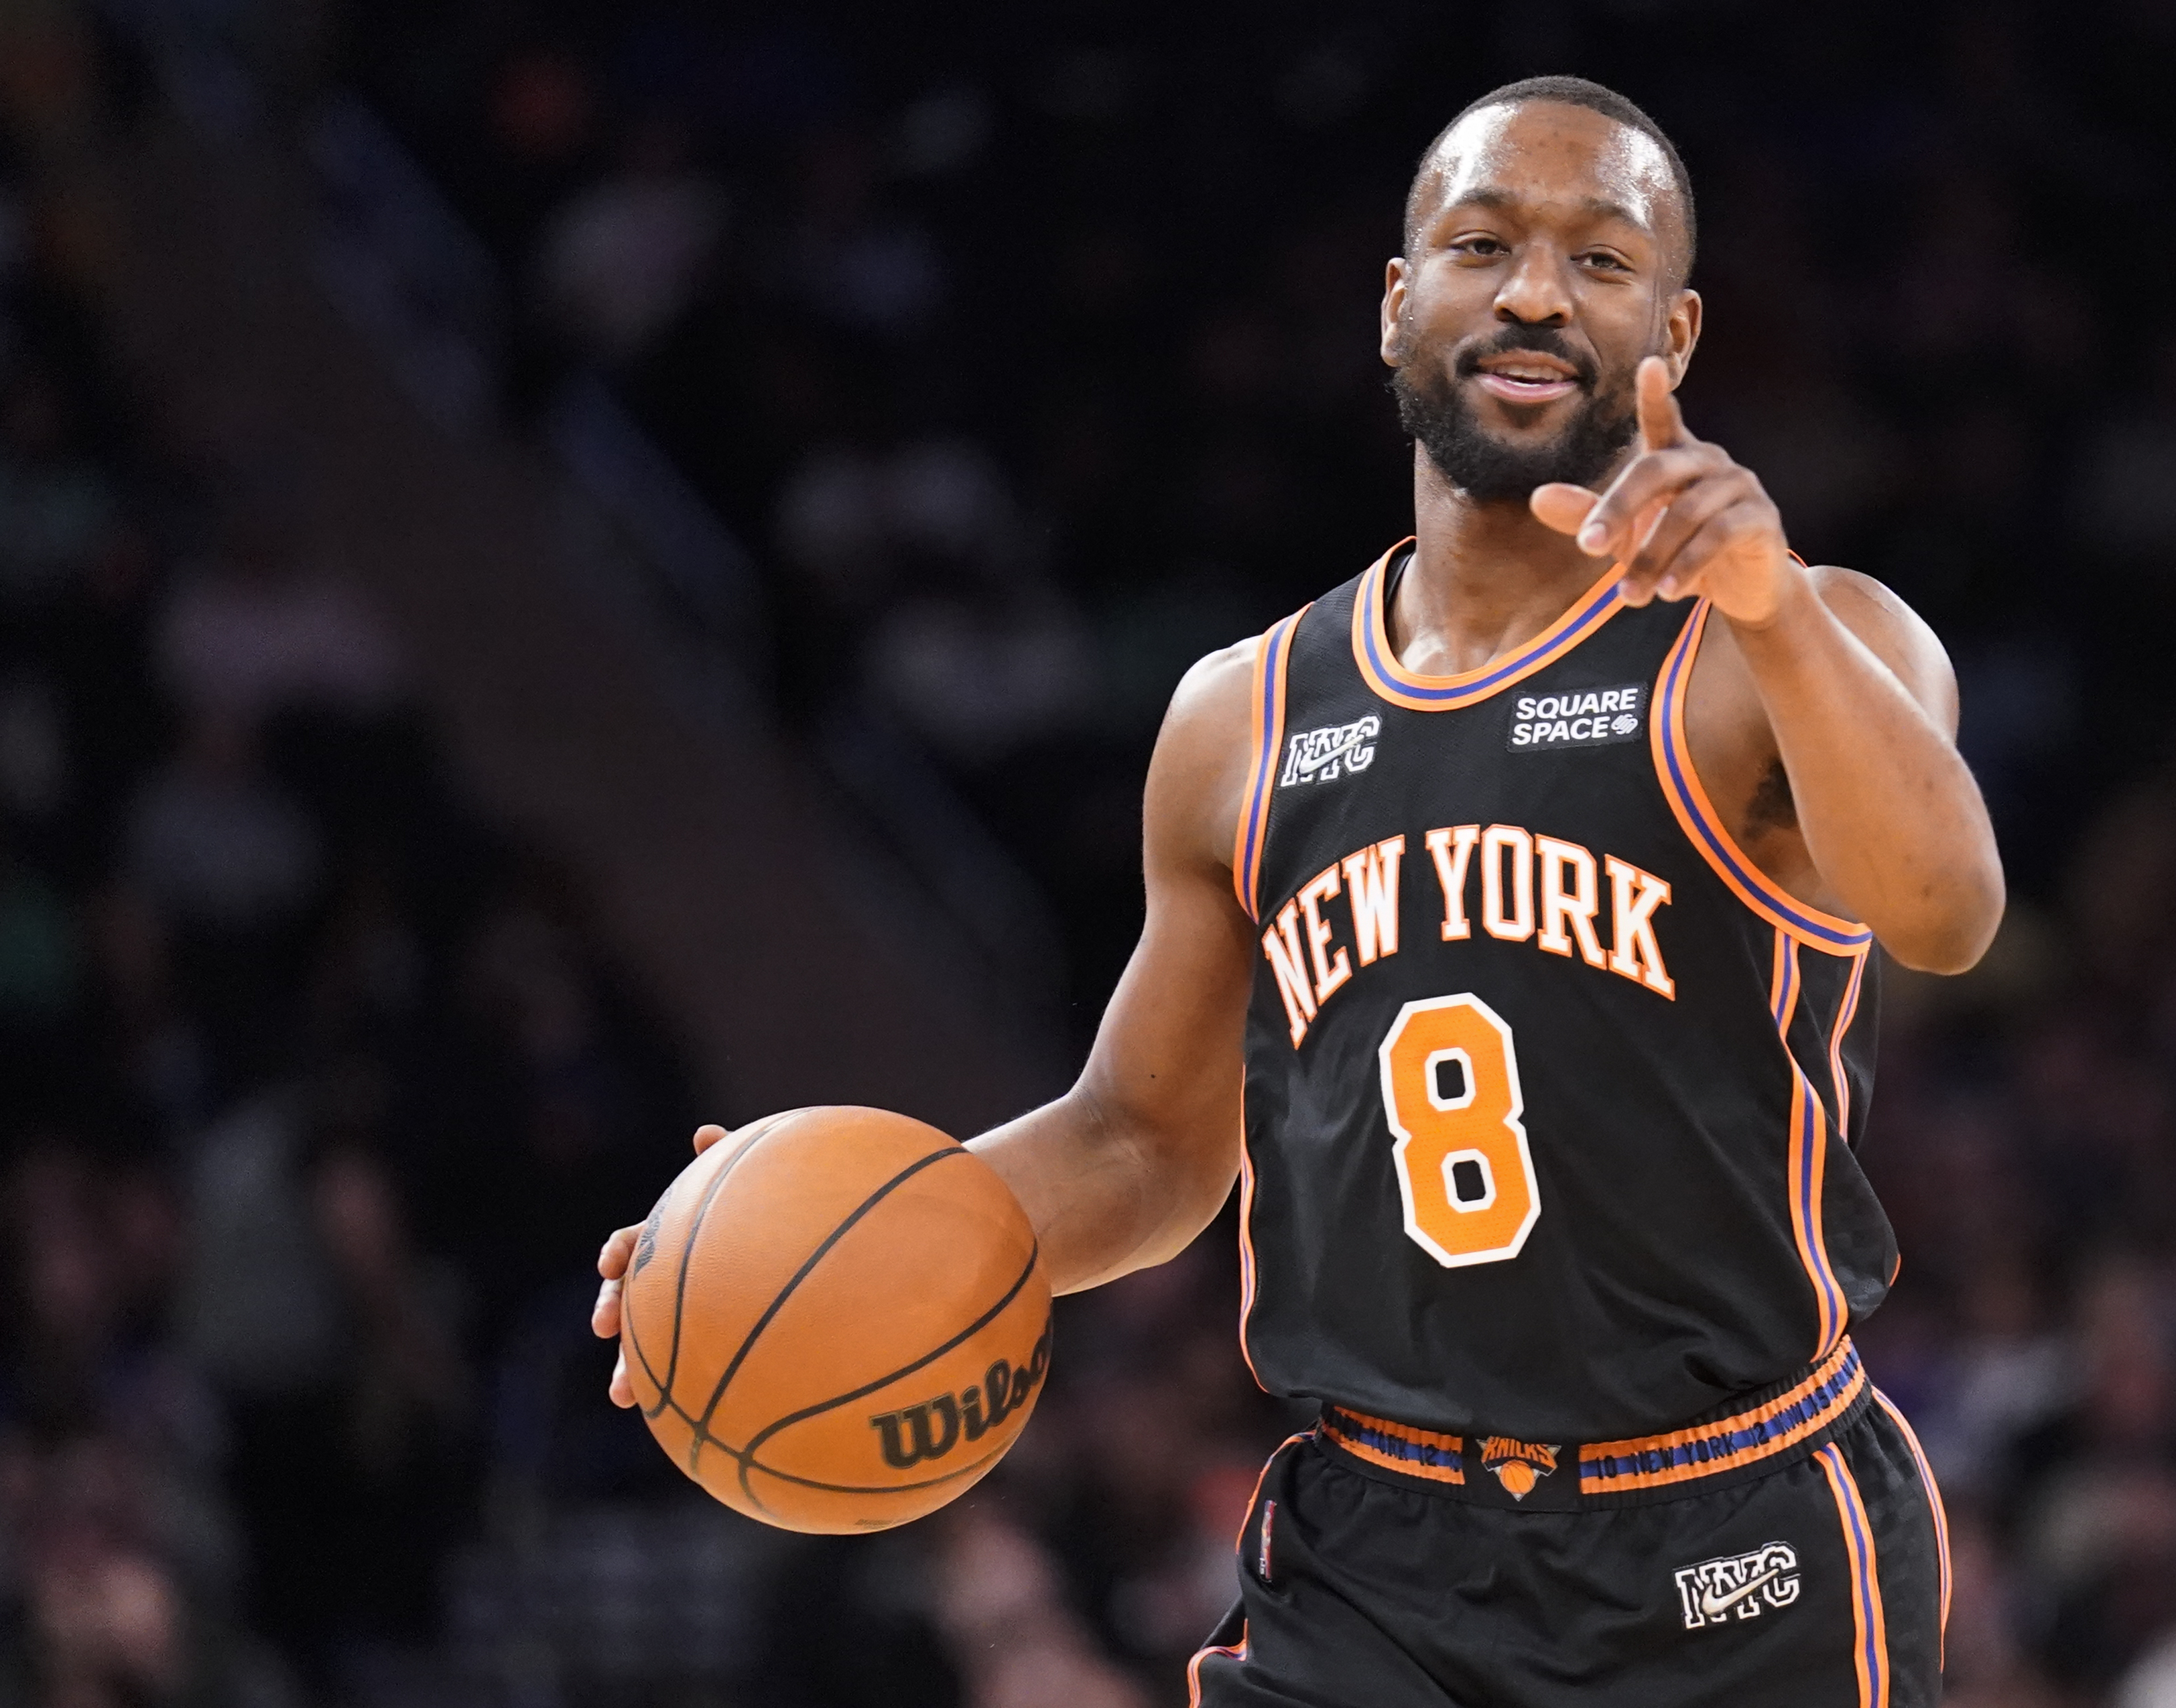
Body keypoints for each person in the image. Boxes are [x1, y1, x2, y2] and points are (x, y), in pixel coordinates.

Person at [590, 75, 2004, 1707]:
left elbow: (1945, 910)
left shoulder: (1798, 640)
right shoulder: (1241, 719)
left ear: (1671, 334)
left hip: (1730, 1531)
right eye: (1482, 243)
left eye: (1602, 259)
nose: (1536, 292)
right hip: (1375, 1557)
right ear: (1398, 304)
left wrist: (1769, 607)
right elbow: (1145, 1141)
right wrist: (818, 1240)